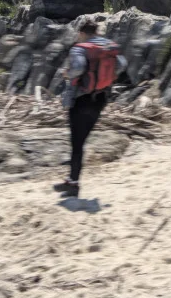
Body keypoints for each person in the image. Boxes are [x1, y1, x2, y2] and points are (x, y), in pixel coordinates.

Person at [53, 19, 127, 198]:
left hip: (82, 99)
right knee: (81, 141)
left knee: (77, 143)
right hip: (101, 98)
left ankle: (73, 184)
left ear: (81, 33)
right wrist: (105, 78)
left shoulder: (80, 48)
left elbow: (78, 68)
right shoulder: (108, 46)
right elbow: (122, 65)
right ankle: (72, 179)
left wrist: (67, 73)